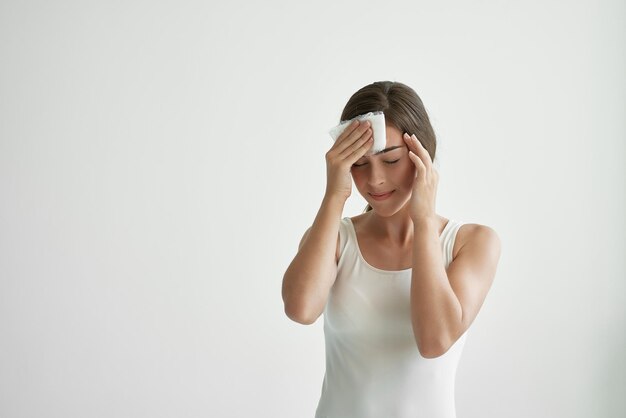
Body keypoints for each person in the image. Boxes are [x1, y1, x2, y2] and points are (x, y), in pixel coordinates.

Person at [281, 81, 501, 418]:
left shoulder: (472, 243)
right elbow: (301, 309)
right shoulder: (334, 238)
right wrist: (335, 195)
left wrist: (424, 219)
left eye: (392, 160)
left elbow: (435, 340)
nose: (376, 180)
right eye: (358, 164)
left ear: (422, 155)